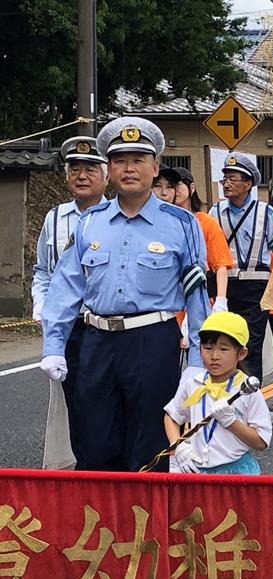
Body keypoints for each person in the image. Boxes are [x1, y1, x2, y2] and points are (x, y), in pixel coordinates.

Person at [40, 117, 210, 472]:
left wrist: (198, 359)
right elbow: (66, 287)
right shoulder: (90, 222)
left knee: (149, 447)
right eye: (119, 160)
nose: (129, 169)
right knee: (94, 442)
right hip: (97, 342)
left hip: (153, 341)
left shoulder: (182, 224)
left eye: (138, 160)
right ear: (110, 168)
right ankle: (100, 524)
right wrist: (54, 347)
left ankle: (146, 526)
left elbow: (197, 296)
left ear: (155, 166)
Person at [33, 136, 108, 469]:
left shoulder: (115, 214)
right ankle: (85, 467)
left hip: (105, 324)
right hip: (68, 323)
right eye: (75, 169)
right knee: (75, 400)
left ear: (106, 176)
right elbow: (42, 271)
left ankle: (110, 464)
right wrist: (42, 304)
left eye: (90, 169)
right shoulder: (55, 218)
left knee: (104, 396)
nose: (81, 175)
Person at [164, 311, 271, 474]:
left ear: (241, 353)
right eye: (207, 348)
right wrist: (177, 445)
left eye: (223, 349)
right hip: (198, 471)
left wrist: (231, 422)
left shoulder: (247, 390)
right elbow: (171, 416)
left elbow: (261, 441)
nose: (214, 356)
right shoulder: (193, 383)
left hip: (237, 472)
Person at [208, 153, 273, 389]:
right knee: (222, 342)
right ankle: (223, 392)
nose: (227, 184)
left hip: (255, 284)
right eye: (224, 179)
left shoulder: (266, 213)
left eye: (233, 178)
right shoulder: (215, 212)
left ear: (248, 183)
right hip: (224, 286)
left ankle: (251, 397)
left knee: (251, 343)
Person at [172, 167, 233, 314]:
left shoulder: (206, 222)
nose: (174, 190)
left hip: (200, 299)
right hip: (171, 301)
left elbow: (221, 264)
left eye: (178, 184)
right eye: (169, 186)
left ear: (191, 188)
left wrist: (221, 299)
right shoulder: (161, 223)